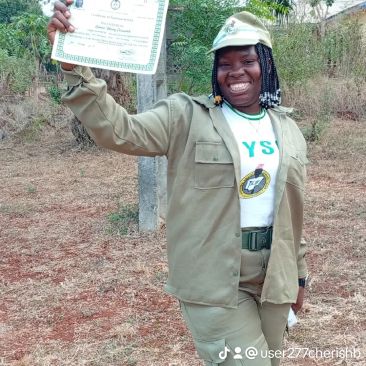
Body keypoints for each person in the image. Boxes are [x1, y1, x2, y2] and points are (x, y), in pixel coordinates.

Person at [48, 2, 308, 365]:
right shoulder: (185, 115)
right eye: (225, 64)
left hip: (274, 276)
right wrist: (75, 67)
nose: (236, 72)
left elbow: (291, 212)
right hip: (214, 280)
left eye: (247, 61)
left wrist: (299, 276)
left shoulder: (288, 129)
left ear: (266, 64)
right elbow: (120, 131)